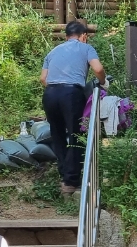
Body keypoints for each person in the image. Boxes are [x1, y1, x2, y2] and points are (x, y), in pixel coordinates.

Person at [40, 19, 106, 195]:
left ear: (66, 35)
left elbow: (43, 79)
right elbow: (98, 69)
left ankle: (64, 175)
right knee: (76, 134)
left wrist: (56, 89)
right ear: (84, 36)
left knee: (58, 135)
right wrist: (103, 82)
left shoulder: (53, 51)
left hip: (50, 95)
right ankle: (71, 181)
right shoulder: (86, 48)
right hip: (71, 94)